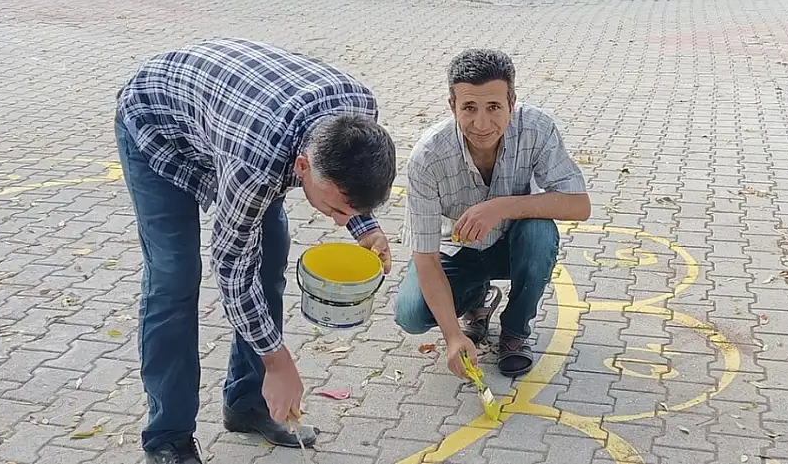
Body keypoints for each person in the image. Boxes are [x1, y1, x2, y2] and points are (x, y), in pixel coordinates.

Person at [114, 38, 396, 464]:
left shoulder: (360, 112)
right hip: (156, 122)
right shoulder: (256, 163)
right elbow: (230, 268)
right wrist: (279, 362)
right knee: (175, 275)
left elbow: (349, 181)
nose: (340, 220)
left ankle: (247, 403)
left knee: (269, 254)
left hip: (231, 116)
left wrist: (365, 227)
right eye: (338, 209)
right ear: (302, 167)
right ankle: (167, 436)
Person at [394, 48, 590, 379]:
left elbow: (579, 205)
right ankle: (477, 300)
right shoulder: (427, 156)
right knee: (411, 315)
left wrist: (502, 207)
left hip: (511, 246)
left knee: (540, 233)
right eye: (469, 108)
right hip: (455, 251)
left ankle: (515, 331)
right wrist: (453, 337)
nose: (482, 124)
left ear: (512, 103)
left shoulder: (536, 128)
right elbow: (425, 257)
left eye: (494, 107)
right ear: (452, 106)